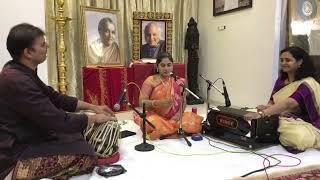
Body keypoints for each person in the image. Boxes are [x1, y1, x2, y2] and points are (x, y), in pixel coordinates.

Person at [0, 23, 116, 179]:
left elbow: (55, 98)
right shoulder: (16, 80)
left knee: (75, 136)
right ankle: (14, 174)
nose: (47, 45)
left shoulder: (19, 69)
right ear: (27, 52)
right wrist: (93, 118)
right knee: (87, 156)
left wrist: (93, 107)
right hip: (13, 152)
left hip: (30, 136)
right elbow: (55, 119)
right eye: (42, 44)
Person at [244, 46, 320, 153]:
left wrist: (263, 114)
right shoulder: (281, 80)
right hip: (281, 117)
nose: (283, 63)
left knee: (298, 137)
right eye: (281, 60)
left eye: (288, 60)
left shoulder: (308, 83)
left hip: (303, 122)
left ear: (300, 62)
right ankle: (271, 131)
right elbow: (272, 101)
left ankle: (271, 131)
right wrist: (266, 108)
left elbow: (289, 103)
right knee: (249, 114)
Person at [134, 52, 203, 140]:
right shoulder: (151, 80)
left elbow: (183, 101)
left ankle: (168, 130)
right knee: (149, 123)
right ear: (157, 66)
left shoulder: (179, 81)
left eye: (169, 65)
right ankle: (171, 130)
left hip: (175, 117)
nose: (166, 68)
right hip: (156, 116)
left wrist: (177, 117)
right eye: (163, 65)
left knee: (193, 122)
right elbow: (141, 102)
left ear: (172, 65)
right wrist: (159, 103)